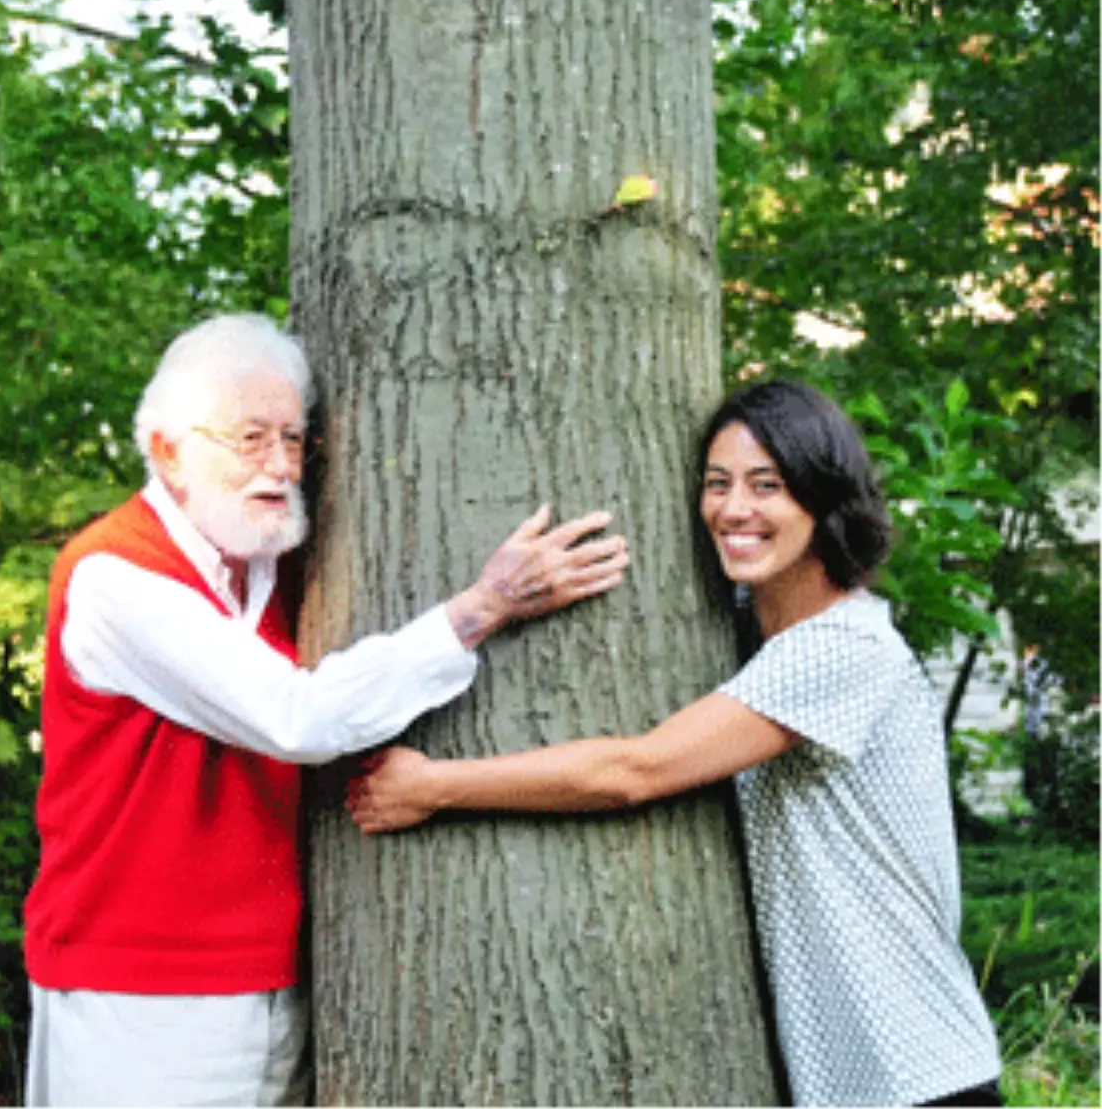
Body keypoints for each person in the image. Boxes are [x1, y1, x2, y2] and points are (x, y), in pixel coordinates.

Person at [23, 313, 629, 1108]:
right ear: (169, 452)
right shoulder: (116, 577)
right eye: (249, 440)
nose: (280, 467)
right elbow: (296, 718)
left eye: (293, 440)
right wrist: (482, 608)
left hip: (281, 979)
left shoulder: (273, 565)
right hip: (139, 1000)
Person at [350, 379, 1003, 1109]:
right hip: (854, 1081)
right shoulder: (750, 632)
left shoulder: (844, 648)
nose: (734, 509)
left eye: (768, 485)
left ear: (823, 498)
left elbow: (637, 768)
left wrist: (435, 786)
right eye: (717, 484)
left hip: (921, 1074)